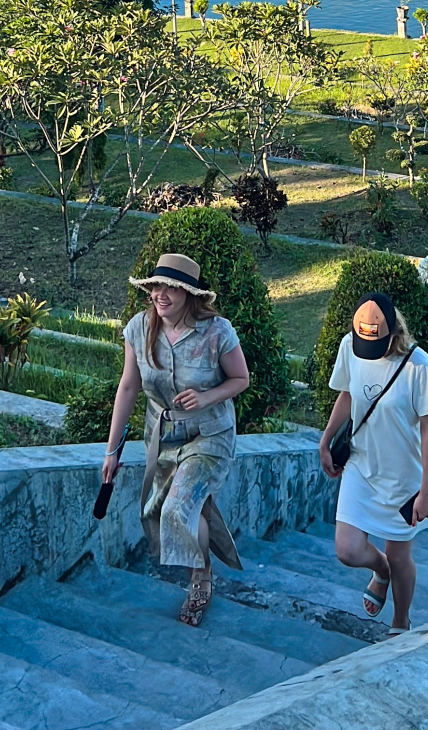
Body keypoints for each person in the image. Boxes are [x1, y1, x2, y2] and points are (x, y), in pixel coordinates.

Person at [102, 252, 250, 626]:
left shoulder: (217, 332)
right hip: (164, 437)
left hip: (209, 435)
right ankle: (199, 565)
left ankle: (201, 577)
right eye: (155, 286)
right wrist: (112, 450)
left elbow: (241, 379)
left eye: (171, 287)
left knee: (176, 509)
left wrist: (205, 397)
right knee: (157, 511)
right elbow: (128, 387)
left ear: (190, 294)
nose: (161, 294)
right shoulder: (139, 328)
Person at [320, 293, 428, 635]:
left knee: (402, 556)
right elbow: (345, 393)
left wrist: (426, 489)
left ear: (395, 332)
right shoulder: (351, 345)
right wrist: (326, 439)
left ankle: (400, 621)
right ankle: (382, 570)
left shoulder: (418, 364)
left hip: (403, 476)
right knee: (347, 549)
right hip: (360, 464)